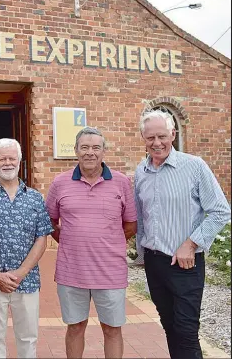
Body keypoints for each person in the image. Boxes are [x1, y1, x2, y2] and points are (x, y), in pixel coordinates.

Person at [134, 110, 231, 359]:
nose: (157, 143)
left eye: (162, 136)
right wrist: (142, 255)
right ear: (143, 139)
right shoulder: (141, 172)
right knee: (170, 327)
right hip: (154, 263)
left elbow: (221, 211)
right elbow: (143, 217)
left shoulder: (194, 166)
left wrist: (192, 243)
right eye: (150, 138)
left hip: (185, 264)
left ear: (173, 135)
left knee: (187, 333)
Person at [45, 127, 137, 359]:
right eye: (84, 147)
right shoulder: (60, 183)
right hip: (71, 272)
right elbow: (50, 221)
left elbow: (130, 225)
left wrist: (108, 243)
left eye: (96, 147)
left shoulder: (121, 182)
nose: (90, 153)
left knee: (112, 329)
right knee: (75, 327)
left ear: (104, 151)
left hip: (111, 272)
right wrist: (70, 242)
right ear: (75, 151)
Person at [0, 138, 53, 359]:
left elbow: (42, 238)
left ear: (19, 161)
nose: (7, 163)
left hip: (27, 282)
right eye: (2, 158)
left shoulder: (35, 198)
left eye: (11, 158)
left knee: (28, 339)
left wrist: (20, 273)